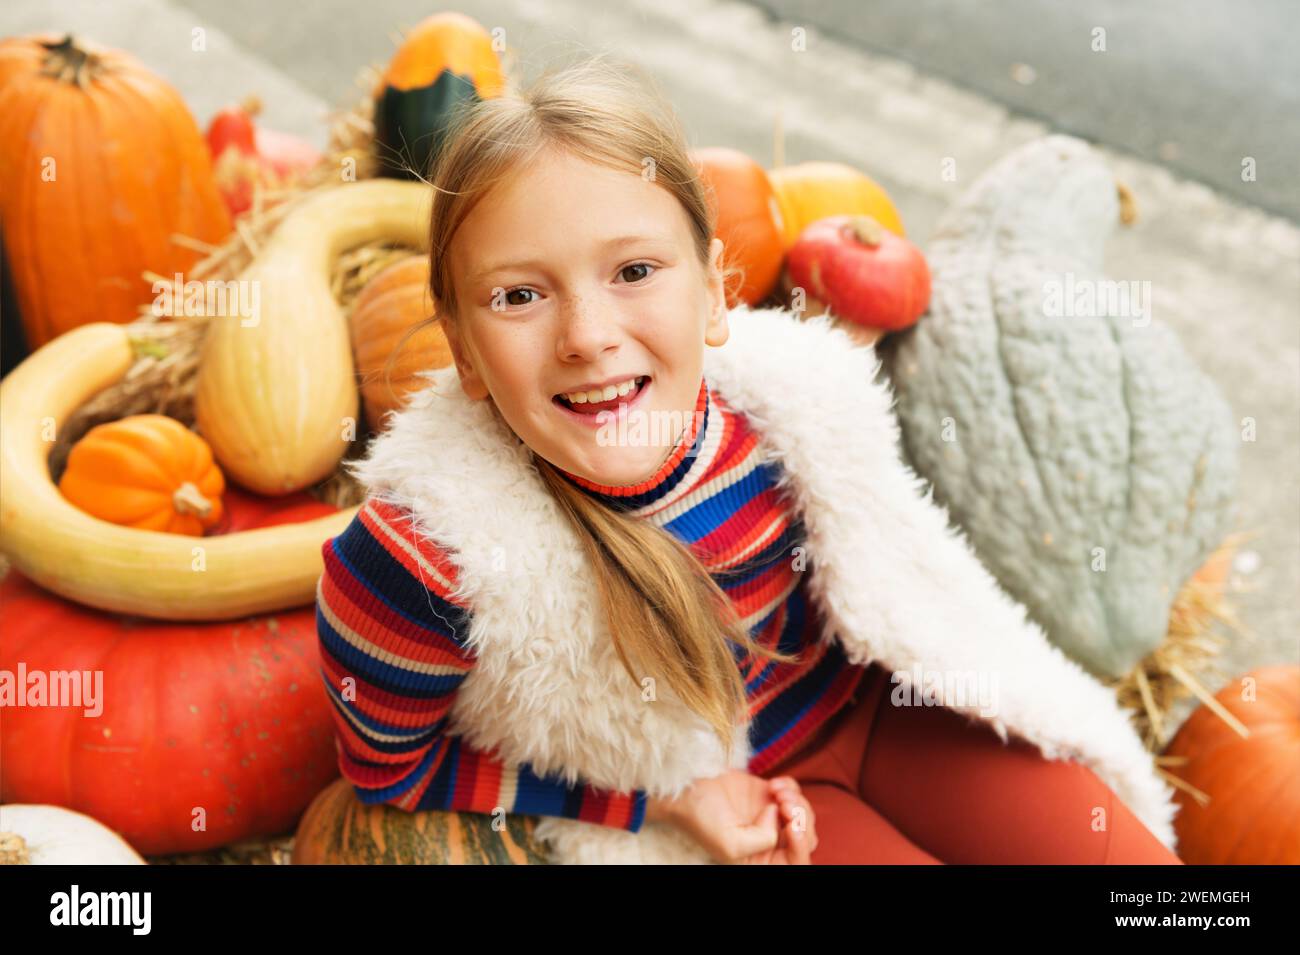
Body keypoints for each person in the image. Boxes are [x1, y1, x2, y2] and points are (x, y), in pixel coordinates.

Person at [314, 53, 1181, 865]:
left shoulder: (788, 409)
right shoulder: (422, 560)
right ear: (463, 350)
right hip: (754, 797)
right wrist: (662, 802)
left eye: (635, 270)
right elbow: (389, 767)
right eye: (519, 295)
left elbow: (894, 580)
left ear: (716, 295)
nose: (587, 336)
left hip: (894, 711)